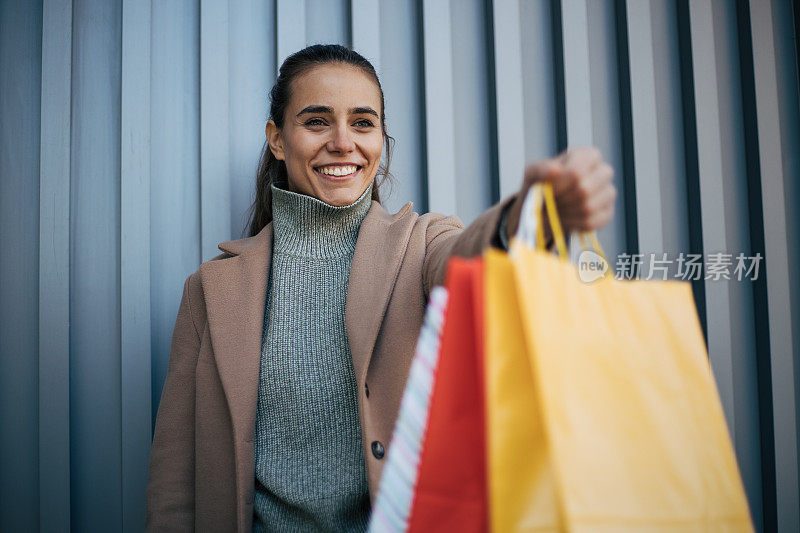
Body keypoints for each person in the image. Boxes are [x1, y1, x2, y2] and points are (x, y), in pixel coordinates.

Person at [145, 44, 616, 532]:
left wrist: (524, 218)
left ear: (382, 141)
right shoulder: (210, 290)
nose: (343, 142)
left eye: (363, 123)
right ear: (277, 139)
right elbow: (174, 486)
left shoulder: (422, 246)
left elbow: (466, 261)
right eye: (317, 121)